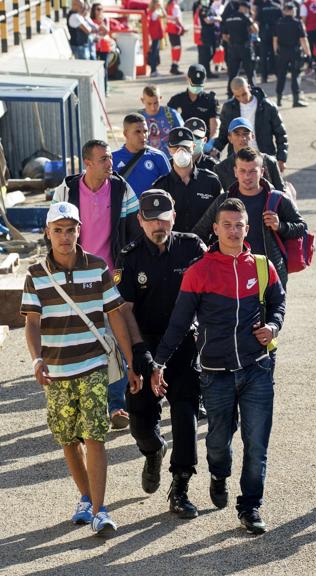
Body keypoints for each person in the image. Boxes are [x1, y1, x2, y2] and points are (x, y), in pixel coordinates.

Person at [152, 197, 286, 534]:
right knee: (218, 443)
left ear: (247, 228)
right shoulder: (200, 272)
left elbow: (277, 303)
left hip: (257, 368)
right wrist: (158, 363)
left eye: (238, 225)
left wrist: (273, 326)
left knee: (257, 444)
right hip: (215, 373)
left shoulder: (261, 266)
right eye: (226, 225)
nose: (233, 231)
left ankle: (251, 506)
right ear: (215, 229)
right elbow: (179, 323)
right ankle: (218, 474)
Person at [21, 202, 141, 535]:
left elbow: (115, 315)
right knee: (68, 439)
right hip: (56, 372)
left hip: (93, 365)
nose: (64, 236)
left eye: (70, 229)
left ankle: (101, 510)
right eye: (57, 230)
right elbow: (32, 323)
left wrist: (131, 363)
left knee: (95, 436)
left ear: (79, 231)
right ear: (47, 233)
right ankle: (86, 498)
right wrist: (36, 359)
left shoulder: (98, 267)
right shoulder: (35, 275)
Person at [115, 190, 206, 518]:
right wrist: (140, 360)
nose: (158, 224)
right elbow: (125, 312)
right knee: (140, 420)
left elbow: (209, 296)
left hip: (183, 344)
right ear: (139, 220)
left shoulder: (193, 248)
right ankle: (153, 451)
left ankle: (180, 486)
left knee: (185, 414)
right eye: (150, 219)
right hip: (145, 344)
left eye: (163, 218)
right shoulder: (132, 255)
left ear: (174, 217)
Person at [52, 139, 140, 429]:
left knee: (113, 339)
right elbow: (52, 235)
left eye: (110, 158)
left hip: (111, 275)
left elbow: (133, 232)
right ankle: (82, 403)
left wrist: (126, 269)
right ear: (87, 163)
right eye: (103, 159)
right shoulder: (66, 191)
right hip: (76, 277)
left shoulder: (121, 188)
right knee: (84, 339)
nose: (109, 163)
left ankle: (116, 406)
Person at [193, 146, 305, 290]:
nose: (247, 176)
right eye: (243, 171)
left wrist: (280, 226)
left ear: (262, 172)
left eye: (253, 171)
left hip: (270, 273)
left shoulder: (277, 199)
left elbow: (301, 227)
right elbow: (199, 232)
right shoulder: (224, 200)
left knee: (273, 312)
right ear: (235, 172)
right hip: (232, 274)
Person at [153, 127, 222, 233]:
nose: (181, 151)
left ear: (193, 147)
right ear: (169, 150)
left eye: (185, 146)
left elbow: (221, 217)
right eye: (176, 147)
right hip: (173, 247)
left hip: (205, 247)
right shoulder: (160, 187)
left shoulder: (211, 182)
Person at [213, 77, 288, 173]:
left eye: (244, 94)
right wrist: (215, 149)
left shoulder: (268, 106)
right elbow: (224, 134)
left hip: (263, 159)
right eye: (237, 96)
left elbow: (281, 134)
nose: (242, 98)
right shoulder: (229, 108)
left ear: (249, 87)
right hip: (238, 160)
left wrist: (281, 159)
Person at [214, 117, 285, 192]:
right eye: (237, 134)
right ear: (230, 138)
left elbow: (281, 195)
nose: (242, 138)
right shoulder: (221, 169)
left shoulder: (269, 162)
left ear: (253, 136)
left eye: (246, 133)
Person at [112, 113, 171, 198]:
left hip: (152, 210)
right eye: (137, 132)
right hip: (124, 211)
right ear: (125, 134)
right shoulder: (112, 159)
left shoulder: (158, 157)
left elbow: (170, 189)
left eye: (145, 131)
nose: (143, 136)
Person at [167, 64, 221, 146]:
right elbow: (168, 124)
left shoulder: (210, 101)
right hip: (182, 143)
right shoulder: (177, 100)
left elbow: (215, 128)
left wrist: (210, 144)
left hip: (203, 143)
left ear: (205, 80)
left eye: (199, 85)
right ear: (187, 78)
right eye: (194, 84)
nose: (196, 88)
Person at [274, 2, 311, 108]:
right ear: (293, 11)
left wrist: (276, 52)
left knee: (281, 76)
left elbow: (275, 39)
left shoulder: (279, 22)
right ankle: (296, 100)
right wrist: (309, 54)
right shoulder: (297, 23)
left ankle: (279, 99)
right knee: (296, 75)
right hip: (295, 52)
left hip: (282, 53)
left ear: (284, 11)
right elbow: (303, 40)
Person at [221, 0, 258, 97]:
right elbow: (255, 29)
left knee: (232, 74)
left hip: (233, 49)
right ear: (243, 8)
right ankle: (254, 93)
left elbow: (224, 36)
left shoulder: (228, 18)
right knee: (250, 73)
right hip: (245, 48)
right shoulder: (244, 17)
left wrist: (232, 43)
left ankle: (230, 94)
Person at [139, 85, 184, 158]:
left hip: (169, 161)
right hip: (146, 161)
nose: (153, 108)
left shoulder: (171, 114)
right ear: (142, 100)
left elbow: (183, 136)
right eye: (149, 103)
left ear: (160, 98)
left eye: (156, 103)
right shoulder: (138, 118)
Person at [255, 0, 282, 84]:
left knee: (263, 56)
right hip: (276, 33)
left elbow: (257, 22)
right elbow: (281, 20)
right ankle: (278, 75)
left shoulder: (261, 7)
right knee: (276, 54)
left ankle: (264, 77)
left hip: (264, 33)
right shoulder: (277, 6)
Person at [300, 0, 316, 76]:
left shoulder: (305, 5)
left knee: (309, 48)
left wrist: (303, 29)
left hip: (310, 29)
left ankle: (310, 67)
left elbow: (304, 18)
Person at [90, 3, 112, 94]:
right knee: (94, 69)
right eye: (97, 9)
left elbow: (107, 31)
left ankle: (105, 89)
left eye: (101, 9)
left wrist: (101, 25)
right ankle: (96, 90)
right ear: (93, 10)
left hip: (104, 47)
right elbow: (92, 32)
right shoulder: (91, 20)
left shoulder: (105, 19)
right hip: (94, 47)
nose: (99, 11)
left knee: (104, 69)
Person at [197, 0, 221, 77]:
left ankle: (206, 71)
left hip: (213, 34)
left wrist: (213, 18)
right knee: (207, 54)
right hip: (206, 35)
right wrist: (216, 18)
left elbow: (218, 18)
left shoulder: (211, 8)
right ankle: (206, 72)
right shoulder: (203, 9)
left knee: (212, 52)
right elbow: (207, 21)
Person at [166, 0, 186, 75]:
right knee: (177, 48)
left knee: (174, 48)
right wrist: (183, 27)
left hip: (170, 30)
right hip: (175, 30)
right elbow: (177, 19)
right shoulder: (175, 6)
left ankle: (174, 66)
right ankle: (175, 67)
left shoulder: (169, 6)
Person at [147, 0, 166, 77]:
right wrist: (162, 7)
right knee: (154, 53)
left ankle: (154, 70)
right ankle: (153, 70)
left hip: (154, 35)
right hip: (155, 35)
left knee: (155, 52)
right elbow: (165, 15)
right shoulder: (155, 13)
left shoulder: (152, 12)